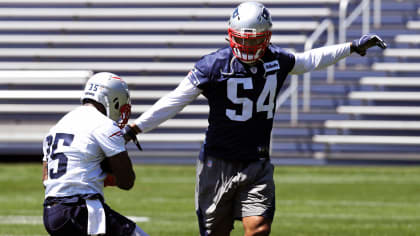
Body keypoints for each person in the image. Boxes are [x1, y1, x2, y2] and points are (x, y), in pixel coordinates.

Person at [122, 2, 387, 236]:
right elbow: (175, 99)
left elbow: (311, 60)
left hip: (257, 162)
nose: (248, 45)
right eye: (243, 39)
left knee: (259, 229)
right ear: (231, 35)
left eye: (255, 40)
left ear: (267, 37)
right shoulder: (212, 66)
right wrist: (137, 126)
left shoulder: (278, 59)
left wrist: (351, 47)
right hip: (217, 163)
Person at [42, 72, 148, 236]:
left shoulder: (59, 125)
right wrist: (109, 172)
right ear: (113, 99)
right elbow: (127, 181)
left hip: (51, 211)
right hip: (80, 209)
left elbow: (45, 179)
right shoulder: (104, 125)